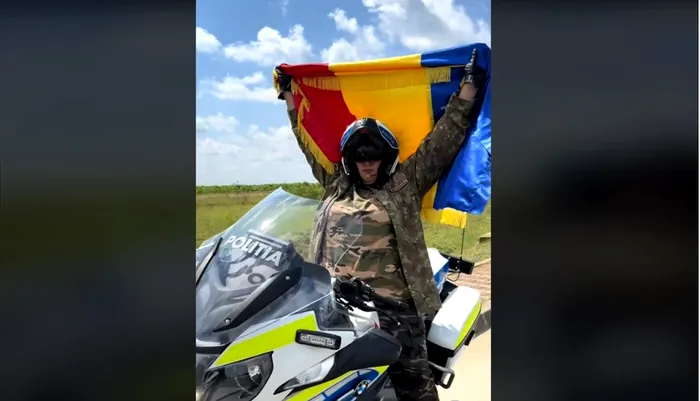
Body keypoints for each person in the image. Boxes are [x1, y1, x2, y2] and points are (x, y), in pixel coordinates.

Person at [274, 49, 486, 401]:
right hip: (335, 305)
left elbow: (441, 143)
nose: (368, 164)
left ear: (386, 158)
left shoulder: (403, 185)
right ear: (349, 159)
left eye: (375, 157)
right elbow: (305, 140)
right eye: (360, 157)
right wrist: (289, 97)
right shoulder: (335, 184)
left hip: (393, 310)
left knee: (415, 387)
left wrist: (468, 89)